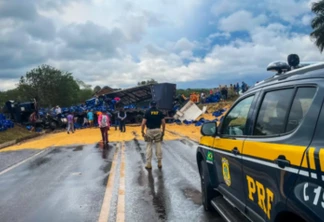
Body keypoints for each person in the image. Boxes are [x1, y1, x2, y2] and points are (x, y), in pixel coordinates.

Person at [141, 101, 165, 169]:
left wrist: (142, 131)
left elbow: (143, 123)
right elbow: (163, 123)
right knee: (158, 146)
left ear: (150, 105)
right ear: (156, 105)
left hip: (149, 131)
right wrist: (163, 131)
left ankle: (148, 164)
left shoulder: (147, 112)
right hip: (158, 130)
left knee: (149, 146)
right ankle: (159, 162)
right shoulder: (160, 112)